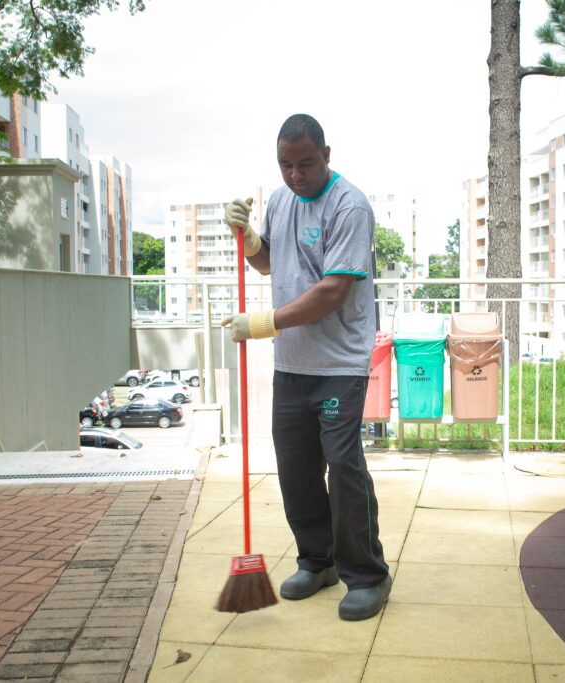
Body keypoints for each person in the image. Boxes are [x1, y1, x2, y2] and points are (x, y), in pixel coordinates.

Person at [221, 113, 391, 621]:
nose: (296, 174)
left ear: (327, 155)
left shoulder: (349, 205)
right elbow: (274, 261)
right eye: (286, 165)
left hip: (339, 363)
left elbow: (333, 289)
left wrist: (265, 322)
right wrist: (249, 238)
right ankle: (317, 562)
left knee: (342, 468)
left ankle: (366, 574)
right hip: (292, 364)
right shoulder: (279, 199)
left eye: (306, 163)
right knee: (296, 471)